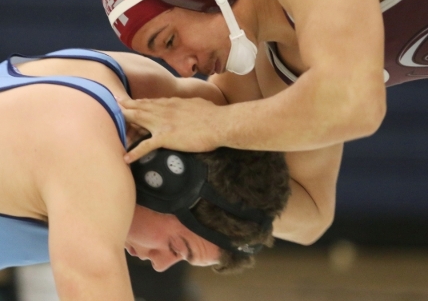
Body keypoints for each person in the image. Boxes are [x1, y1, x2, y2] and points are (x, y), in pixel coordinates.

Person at [101, 0, 428, 246]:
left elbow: (356, 105)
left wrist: (213, 125)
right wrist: (187, 178)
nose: (183, 67)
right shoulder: (279, 67)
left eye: (170, 41)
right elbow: (311, 216)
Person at [0, 48, 289, 299]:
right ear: (166, 181)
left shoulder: (134, 80)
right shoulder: (89, 165)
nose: (160, 264)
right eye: (176, 247)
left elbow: (228, 123)